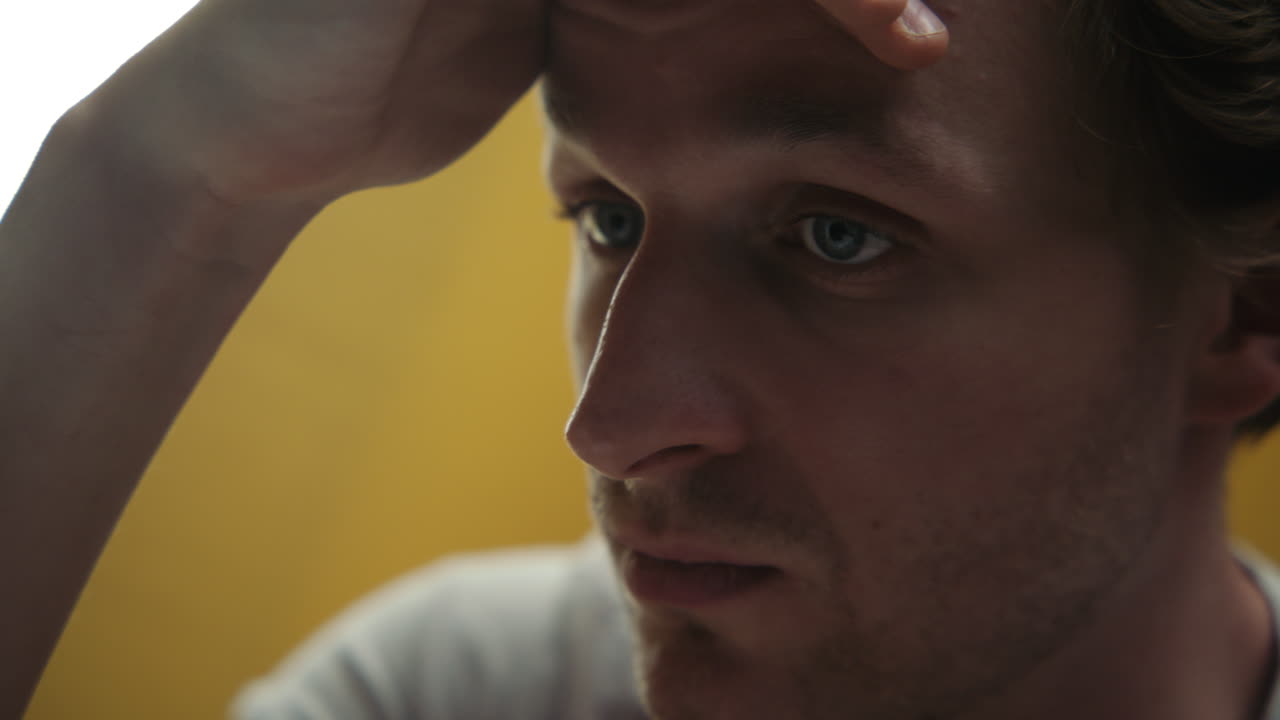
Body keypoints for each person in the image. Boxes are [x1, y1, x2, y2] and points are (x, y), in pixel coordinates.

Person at [2, 0, 1278, 717]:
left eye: (837, 237)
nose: (610, 428)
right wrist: (165, 171)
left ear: (1244, 314)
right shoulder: (466, 692)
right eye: (607, 217)